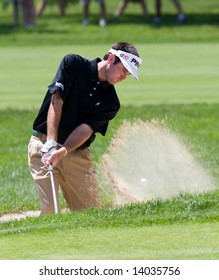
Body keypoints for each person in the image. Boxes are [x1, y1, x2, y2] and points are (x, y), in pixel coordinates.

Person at [28, 42, 142, 215]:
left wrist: (63, 150)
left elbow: (86, 129)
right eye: (124, 70)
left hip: (75, 154)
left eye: (128, 74)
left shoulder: (111, 102)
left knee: (91, 214)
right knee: (50, 210)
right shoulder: (73, 64)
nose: (124, 77)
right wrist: (51, 141)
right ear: (111, 58)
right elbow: (56, 100)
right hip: (43, 145)